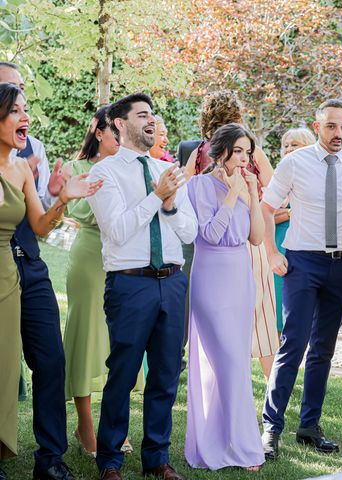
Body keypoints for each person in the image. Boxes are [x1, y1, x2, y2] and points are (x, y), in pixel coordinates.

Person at [87, 93, 197, 480]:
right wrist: (157, 196)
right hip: (130, 285)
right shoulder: (103, 173)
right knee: (123, 372)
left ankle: (157, 458)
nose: (152, 120)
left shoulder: (166, 169)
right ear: (119, 123)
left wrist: (169, 205)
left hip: (172, 282)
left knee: (166, 374)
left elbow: (189, 230)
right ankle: (111, 461)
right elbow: (117, 230)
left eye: (154, 115)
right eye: (143, 115)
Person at [0, 82, 102, 480]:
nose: (26, 118)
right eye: (16, 111)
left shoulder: (23, 166)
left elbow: (42, 226)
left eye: (27, 110)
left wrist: (62, 198)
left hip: (30, 269)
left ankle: (50, 458)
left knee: (51, 360)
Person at [261, 99, 342, 459]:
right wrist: (273, 252)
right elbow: (266, 208)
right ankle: (271, 428)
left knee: (323, 350)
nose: (338, 133)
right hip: (302, 263)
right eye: (331, 126)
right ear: (318, 127)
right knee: (293, 344)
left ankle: (308, 425)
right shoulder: (294, 162)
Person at [184, 123, 265, 471]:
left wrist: (252, 195)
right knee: (226, 362)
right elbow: (212, 235)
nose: (245, 159)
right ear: (221, 154)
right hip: (210, 277)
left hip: (240, 278)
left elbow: (257, 238)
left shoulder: (248, 184)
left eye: (248, 152)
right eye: (239, 152)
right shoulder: (199, 186)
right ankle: (242, 446)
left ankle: (229, 439)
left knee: (234, 365)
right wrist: (232, 193)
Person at [61, 107, 141, 458]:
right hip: (91, 258)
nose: (121, 138)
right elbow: (74, 211)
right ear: (99, 132)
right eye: (116, 131)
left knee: (117, 343)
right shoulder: (76, 169)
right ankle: (85, 425)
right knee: (86, 337)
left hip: (124, 260)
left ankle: (114, 423)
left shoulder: (133, 166)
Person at [183, 90, 279, 378]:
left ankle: (216, 379)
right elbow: (275, 191)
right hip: (247, 237)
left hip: (209, 250)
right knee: (261, 314)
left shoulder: (198, 153)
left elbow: (185, 196)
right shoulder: (249, 150)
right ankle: (271, 386)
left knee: (217, 316)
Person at [273, 127, 316, 332]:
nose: (289, 149)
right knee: (280, 297)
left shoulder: (316, 175)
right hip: (279, 243)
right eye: (286, 145)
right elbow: (268, 214)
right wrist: (292, 212)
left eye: (294, 145)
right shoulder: (279, 175)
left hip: (307, 244)